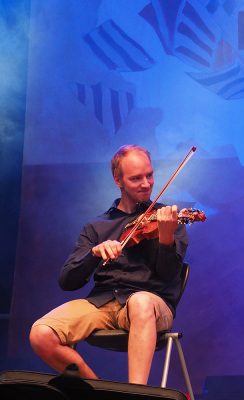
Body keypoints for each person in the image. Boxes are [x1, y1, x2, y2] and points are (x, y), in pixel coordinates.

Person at [29, 144, 188, 384]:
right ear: (118, 180)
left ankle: (135, 392)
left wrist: (166, 238)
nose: (146, 183)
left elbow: (168, 277)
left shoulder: (168, 218)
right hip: (102, 303)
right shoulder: (96, 227)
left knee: (140, 301)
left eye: (149, 175)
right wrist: (94, 254)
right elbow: (67, 281)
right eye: (136, 178)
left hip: (152, 305)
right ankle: (99, 393)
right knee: (40, 334)